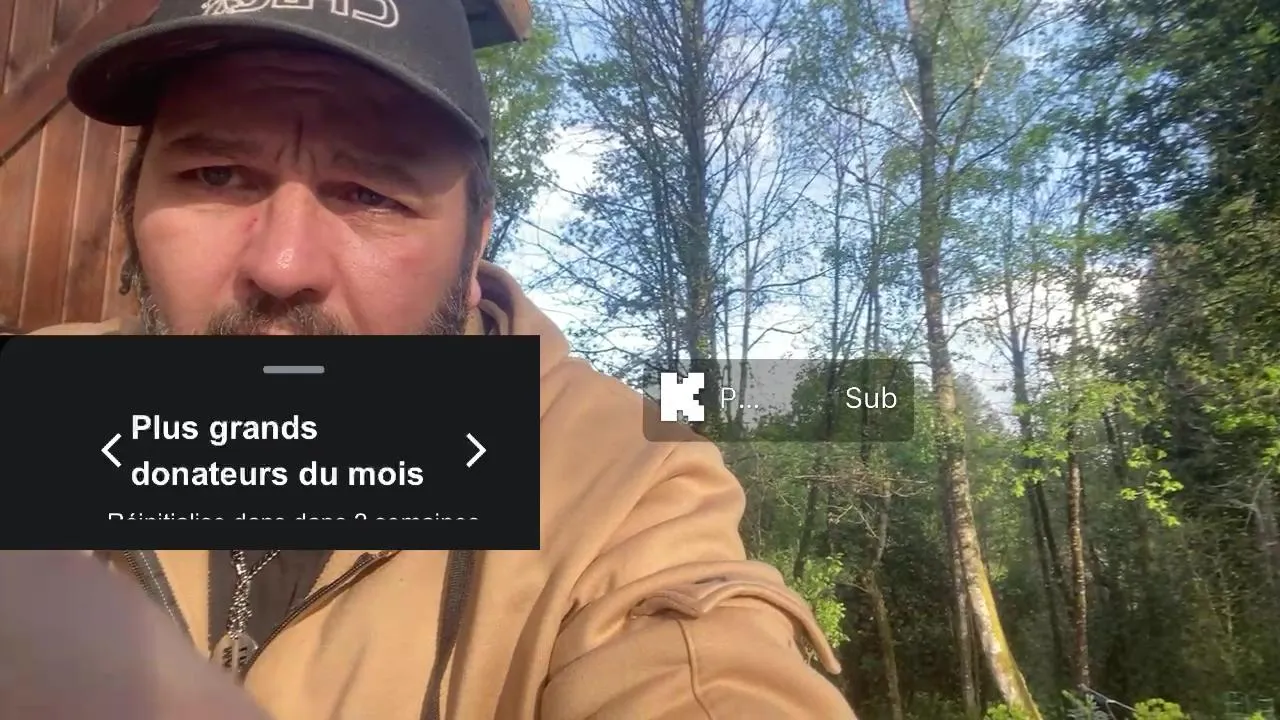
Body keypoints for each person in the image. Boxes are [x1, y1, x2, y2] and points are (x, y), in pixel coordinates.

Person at [3, 1, 858, 718]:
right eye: (217, 175)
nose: (283, 266)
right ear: (133, 204)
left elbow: (704, 672)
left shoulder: (618, 474)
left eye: (369, 193)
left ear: (474, 243)